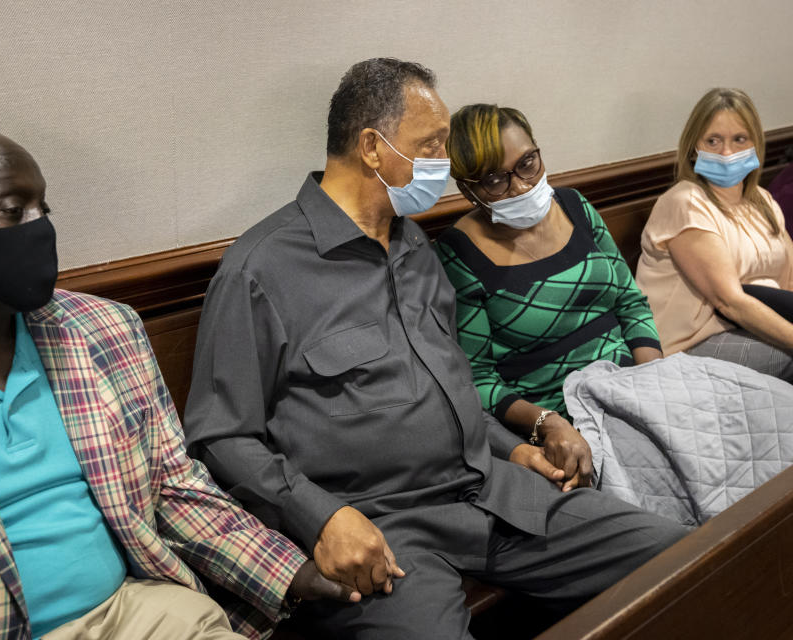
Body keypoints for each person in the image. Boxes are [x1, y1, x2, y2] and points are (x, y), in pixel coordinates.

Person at [183, 58, 687, 640]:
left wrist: (514, 446)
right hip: (383, 529)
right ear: (373, 148)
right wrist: (321, 517)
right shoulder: (261, 268)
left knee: (681, 560)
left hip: (489, 492)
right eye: (432, 145)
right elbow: (220, 435)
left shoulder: (416, 246)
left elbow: (452, 383)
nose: (445, 166)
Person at [0, 117, 351, 640]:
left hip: (137, 612)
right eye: (13, 211)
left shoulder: (103, 329)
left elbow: (173, 488)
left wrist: (292, 574)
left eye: (44, 209)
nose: (40, 228)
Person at [435, 104, 663, 491]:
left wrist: (654, 382)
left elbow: (630, 302)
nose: (521, 186)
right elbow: (479, 380)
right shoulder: (459, 253)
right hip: (561, 414)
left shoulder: (575, 207)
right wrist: (546, 422)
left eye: (528, 163)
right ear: (469, 190)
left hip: (635, 382)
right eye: (495, 179)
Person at [636, 88, 793, 380]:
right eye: (713, 140)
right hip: (689, 345)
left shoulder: (763, 201)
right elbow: (730, 302)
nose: (727, 152)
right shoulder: (686, 202)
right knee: (786, 357)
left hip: (746, 328)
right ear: (694, 147)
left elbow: (789, 284)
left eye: (739, 139)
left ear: (756, 143)